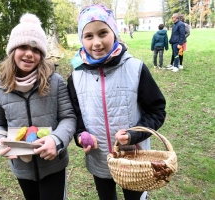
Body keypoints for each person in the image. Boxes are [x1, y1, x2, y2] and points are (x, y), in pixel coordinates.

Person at [67, 4, 166, 200]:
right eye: (89, 36)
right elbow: (76, 115)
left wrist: (133, 135)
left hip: (134, 158)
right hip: (99, 158)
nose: (96, 43)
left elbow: (157, 111)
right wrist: (81, 135)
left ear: (114, 32)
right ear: (81, 38)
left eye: (103, 33)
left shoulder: (136, 68)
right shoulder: (75, 77)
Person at [0, 13, 76, 200]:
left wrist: (56, 140)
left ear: (42, 55)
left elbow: (68, 118)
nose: (29, 53)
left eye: (35, 49)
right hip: (22, 168)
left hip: (53, 164)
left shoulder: (56, 82)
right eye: (22, 47)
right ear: (12, 50)